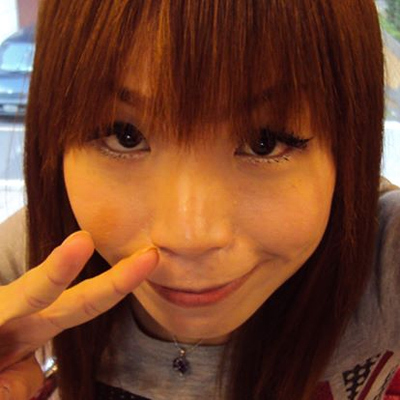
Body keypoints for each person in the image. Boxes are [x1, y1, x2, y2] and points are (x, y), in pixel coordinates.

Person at [0, 0, 399, 399]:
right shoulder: (34, 267)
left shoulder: (384, 264)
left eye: (264, 142)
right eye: (125, 136)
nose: (188, 238)